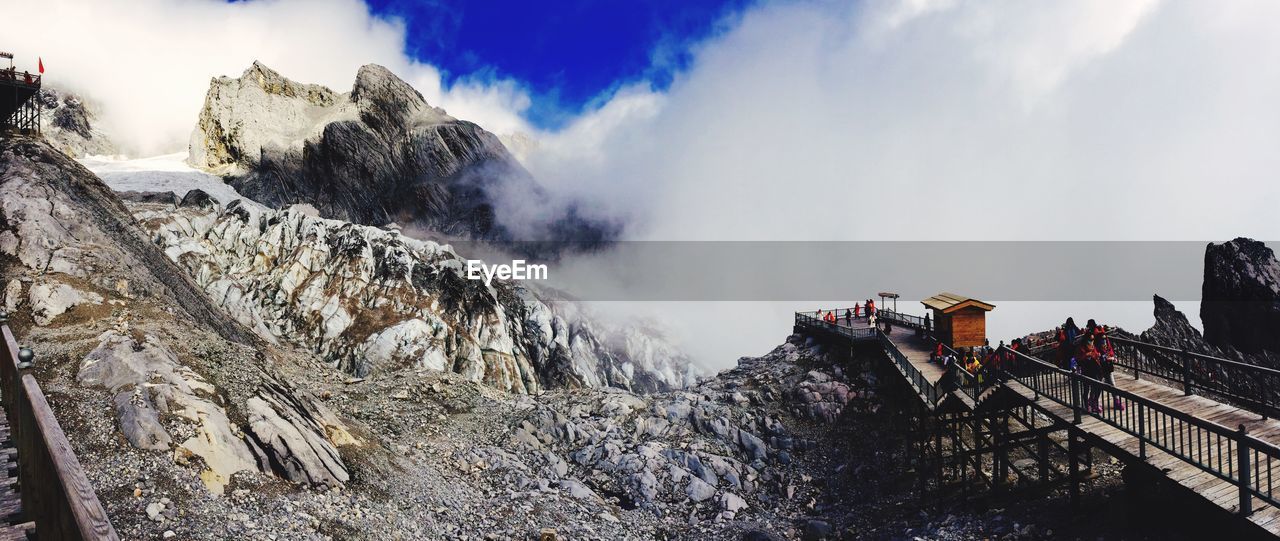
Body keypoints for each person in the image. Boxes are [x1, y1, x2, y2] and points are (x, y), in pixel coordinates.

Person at [1078, 341, 1104, 413]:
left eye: (1092, 340)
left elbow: (1096, 355)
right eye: (1090, 340)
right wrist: (1087, 355)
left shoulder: (1093, 347)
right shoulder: (1081, 348)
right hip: (1086, 371)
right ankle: (1086, 407)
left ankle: (1094, 402)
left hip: (1094, 370)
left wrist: (1096, 355)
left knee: (1098, 387)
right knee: (1086, 389)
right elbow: (1079, 359)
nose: (1091, 342)